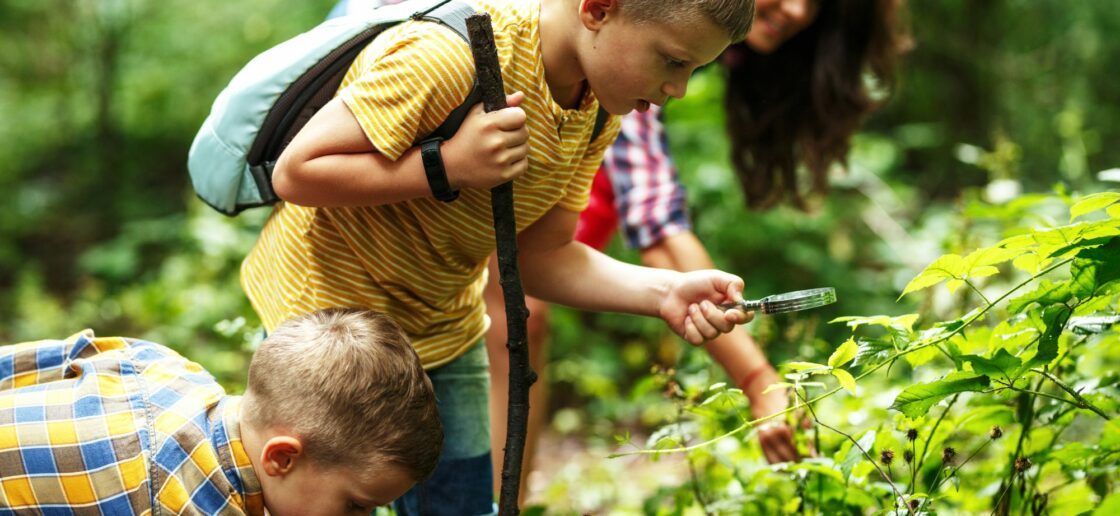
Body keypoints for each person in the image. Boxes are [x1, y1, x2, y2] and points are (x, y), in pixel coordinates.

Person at [239, 0, 756, 512]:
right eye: (673, 61)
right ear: (598, 9)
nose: (678, 90)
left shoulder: (596, 109)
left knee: (461, 506)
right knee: (333, 498)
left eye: (694, 69)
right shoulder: (448, 56)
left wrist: (665, 292)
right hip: (331, 325)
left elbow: (543, 256)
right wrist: (447, 165)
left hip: (443, 325)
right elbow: (297, 172)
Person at [484, 0, 910, 497]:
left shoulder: (689, 48)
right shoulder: (629, 40)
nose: (797, 10)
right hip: (494, 190)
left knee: (524, 313)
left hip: (558, 211)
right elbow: (657, 224)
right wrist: (757, 382)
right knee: (512, 317)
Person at [0, 308, 442, 515]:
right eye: (355, 507)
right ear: (281, 458)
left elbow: (54, 357)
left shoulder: (171, 369)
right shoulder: (189, 505)